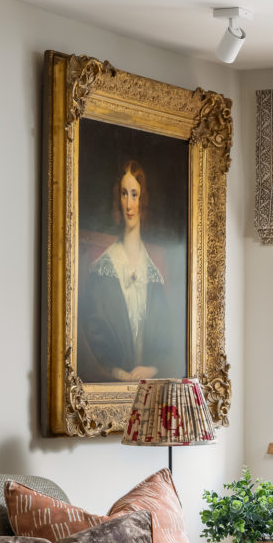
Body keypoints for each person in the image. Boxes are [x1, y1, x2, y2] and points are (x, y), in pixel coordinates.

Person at [80, 159, 175, 382]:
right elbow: (92, 338)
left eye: (134, 194)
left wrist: (151, 370)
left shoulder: (154, 273)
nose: (129, 204)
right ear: (118, 199)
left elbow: (167, 342)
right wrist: (117, 373)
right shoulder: (103, 269)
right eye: (124, 194)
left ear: (142, 200)